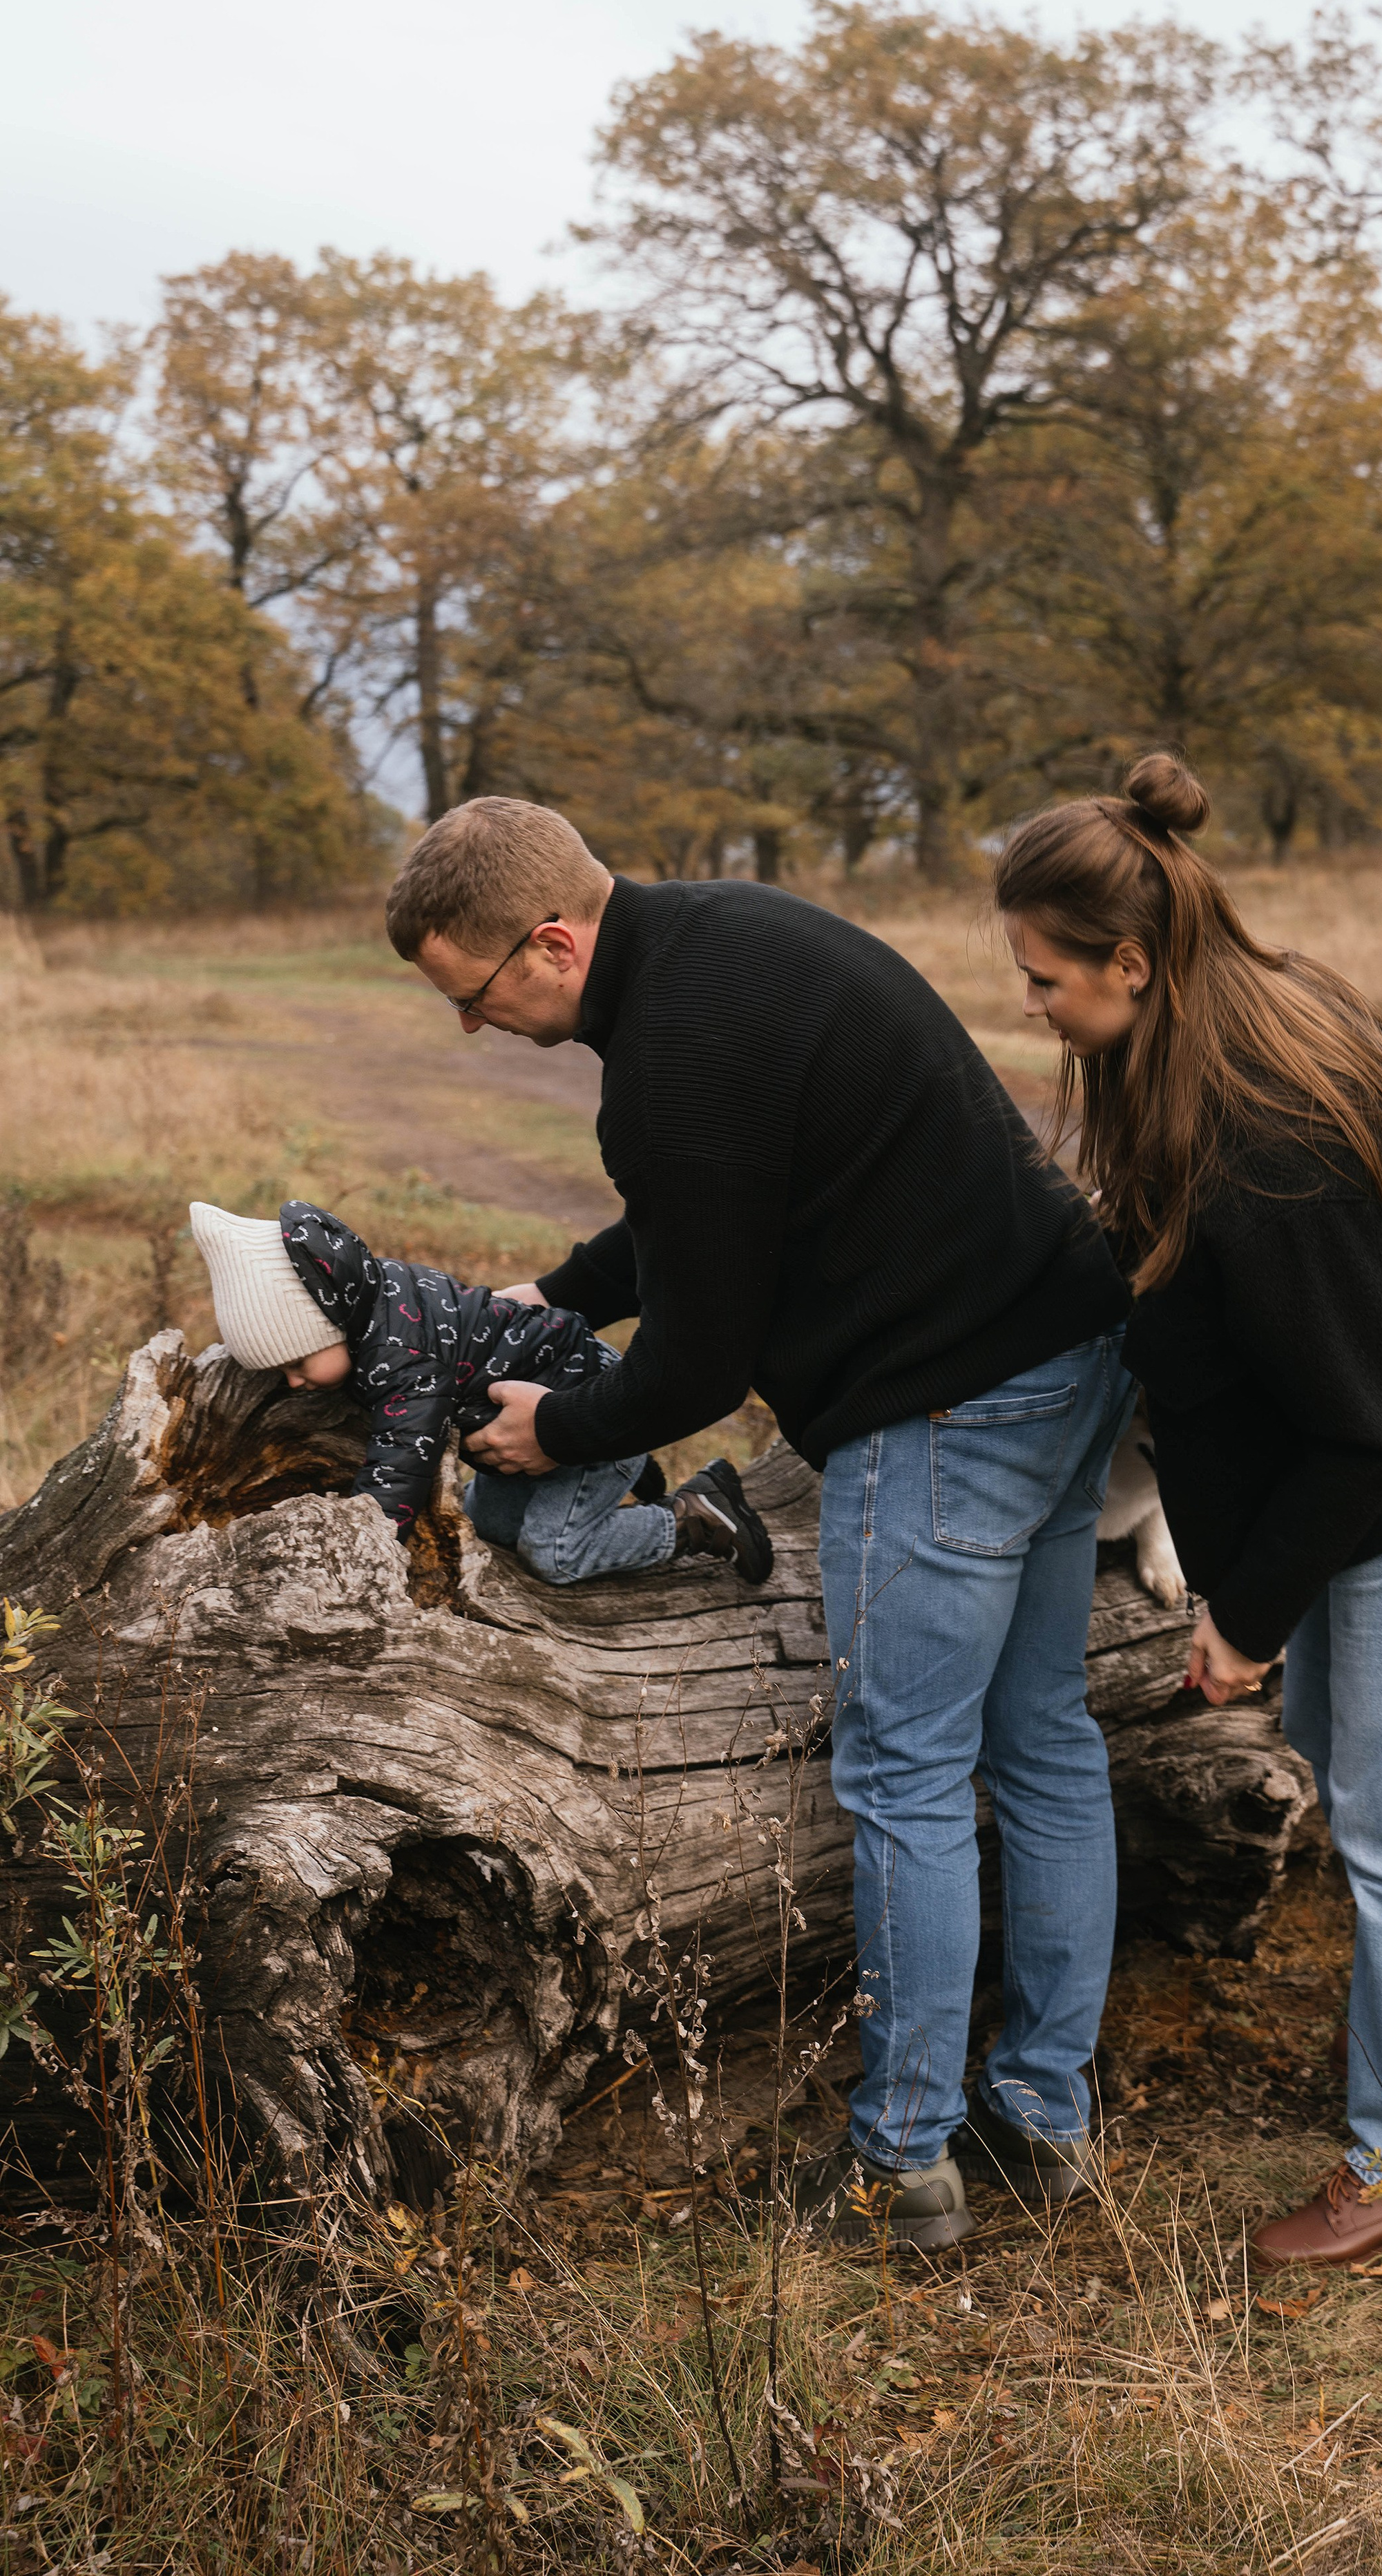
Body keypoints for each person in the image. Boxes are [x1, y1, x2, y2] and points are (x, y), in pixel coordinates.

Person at [382, 796, 1134, 2252]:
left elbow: (700, 1368)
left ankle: (896, 2169)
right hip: (1064, 1350)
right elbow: (705, 1213)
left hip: (941, 1407)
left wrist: (557, 1425)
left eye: (474, 998)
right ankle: (1041, 2121)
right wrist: (556, 1301)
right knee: (1041, 1743)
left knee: (906, 1774)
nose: (475, 1030)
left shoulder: (667, 1059)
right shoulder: (729, 937)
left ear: (550, 941)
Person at [993, 754, 1382, 2271]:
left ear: (1128, 960)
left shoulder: (1268, 1139)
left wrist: (1242, 1616)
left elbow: (1352, 1432)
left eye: (1043, 978)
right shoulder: (1195, 1032)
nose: (1030, 1006)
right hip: (1379, 1464)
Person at [188, 1199, 772, 1583]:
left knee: (555, 1555)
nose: (291, 1382)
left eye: (296, 1362)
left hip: (593, 1417)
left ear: (331, 1319)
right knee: (484, 1524)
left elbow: (398, 1473)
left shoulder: (401, 1359)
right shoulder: (372, 1290)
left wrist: (363, 1547)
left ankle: (695, 1520)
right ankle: (633, 1481)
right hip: (543, 1425)